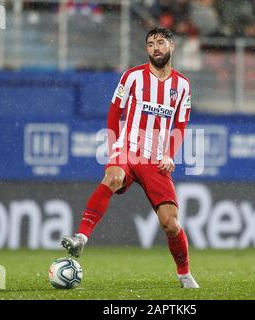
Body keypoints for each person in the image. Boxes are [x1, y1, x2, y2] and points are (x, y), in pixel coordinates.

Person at [61, 27, 199, 289]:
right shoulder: (132, 77)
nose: (155, 48)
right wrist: (115, 149)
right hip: (127, 148)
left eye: (160, 42)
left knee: (170, 224)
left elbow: (180, 125)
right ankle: (81, 237)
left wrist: (171, 153)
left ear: (172, 46)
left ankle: (184, 274)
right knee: (113, 176)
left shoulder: (182, 85)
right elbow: (114, 113)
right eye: (150, 44)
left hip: (155, 158)